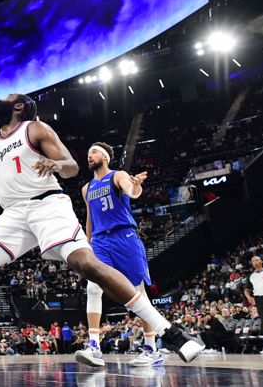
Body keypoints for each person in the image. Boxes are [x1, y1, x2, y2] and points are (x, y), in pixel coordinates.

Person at [0, 94, 205, 381]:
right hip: (13, 214)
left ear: (18, 107)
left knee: (87, 265)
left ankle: (171, 332)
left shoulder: (35, 129)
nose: (0, 99)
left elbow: (70, 167)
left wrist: (54, 164)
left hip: (47, 203)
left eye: (8, 97)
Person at [75, 142, 161, 368]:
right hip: (100, 241)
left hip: (124, 237)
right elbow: (90, 218)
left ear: (105, 157)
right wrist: (88, 243)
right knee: (93, 287)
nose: (89, 156)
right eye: (87, 153)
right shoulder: (86, 188)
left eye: (92, 152)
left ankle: (151, 348)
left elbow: (131, 190)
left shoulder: (118, 175)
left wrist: (136, 187)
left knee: (138, 292)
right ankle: (94, 346)